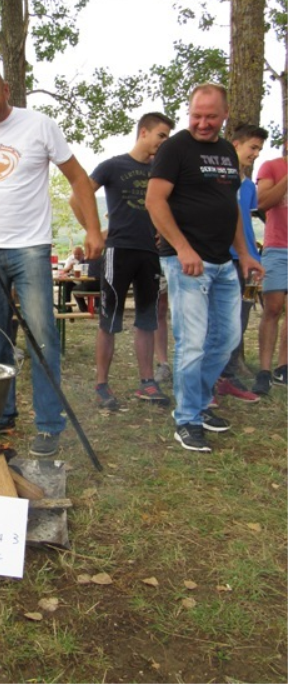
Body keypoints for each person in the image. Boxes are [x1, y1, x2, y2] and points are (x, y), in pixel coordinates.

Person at [0, 64, 103, 458]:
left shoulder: (39, 125)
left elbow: (78, 178)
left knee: (43, 338)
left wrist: (93, 229)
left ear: (6, 89)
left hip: (31, 247)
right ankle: (2, 413)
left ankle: (49, 425)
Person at [145, 83, 264, 452]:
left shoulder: (227, 151)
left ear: (224, 115)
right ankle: (187, 419)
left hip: (223, 261)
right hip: (186, 262)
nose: (202, 123)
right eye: (196, 115)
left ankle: (196, 404)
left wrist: (244, 252)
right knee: (192, 342)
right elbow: (154, 201)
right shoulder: (175, 148)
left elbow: (230, 208)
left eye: (211, 116)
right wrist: (183, 249)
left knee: (226, 339)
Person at [86, 112, 175, 410]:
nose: (164, 142)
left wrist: (165, 230)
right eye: (161, 135)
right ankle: (101, 385)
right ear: (144, 132)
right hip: (118, 251)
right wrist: (92, 231)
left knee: (147, 319)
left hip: (150, 253)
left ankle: (147, 382)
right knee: (109, 320)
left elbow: (168, 206)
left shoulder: (161, 173)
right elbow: (79, 195)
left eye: (168, 138)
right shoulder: (113, 166)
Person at [216, 124, 268, 402]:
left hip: (251, 266)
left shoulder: (248, 186)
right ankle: (213, 377)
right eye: (253, 147)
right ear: (235, 144)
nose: (256, 153)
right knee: (220, 319)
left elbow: (247, 221)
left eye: (259, 149)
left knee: (242, 316)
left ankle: (229, 375)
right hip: (225, 259)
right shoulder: (217, 179)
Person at [252, 134, 288, 395]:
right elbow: (262, 203)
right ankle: (264, 371)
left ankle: (283, 367)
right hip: (278, 247)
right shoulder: (272, 167)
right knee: (273, 308)